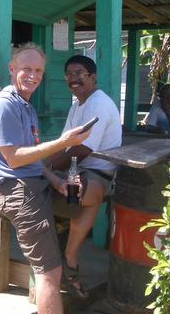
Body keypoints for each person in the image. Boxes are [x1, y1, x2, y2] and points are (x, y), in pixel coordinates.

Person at [0, 43, 92, 314]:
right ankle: (61, 265)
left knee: (86, 198)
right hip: (14, 190)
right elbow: (14, 158)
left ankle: (68, 258)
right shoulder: (5, 104)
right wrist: (62, 142)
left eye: (38, 70)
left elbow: (34, 161)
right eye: (26, 68)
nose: (33, 75)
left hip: (33, 184)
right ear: (11, 68)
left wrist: (56, 181)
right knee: (49, 273)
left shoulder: (25, 106)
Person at [46, 55, 122, 299]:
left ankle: (66, 256)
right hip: (77, 170)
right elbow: (63, 144)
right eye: (69, 74)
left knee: (72, 192)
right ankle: (65, 258)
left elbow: (81, 149)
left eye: (79, 73)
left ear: (93, 77)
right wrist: (46, 163)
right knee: (53, 186)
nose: (73, 79)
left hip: (98, 173)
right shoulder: (77, 105)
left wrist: (48, 169)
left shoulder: (98, 103)